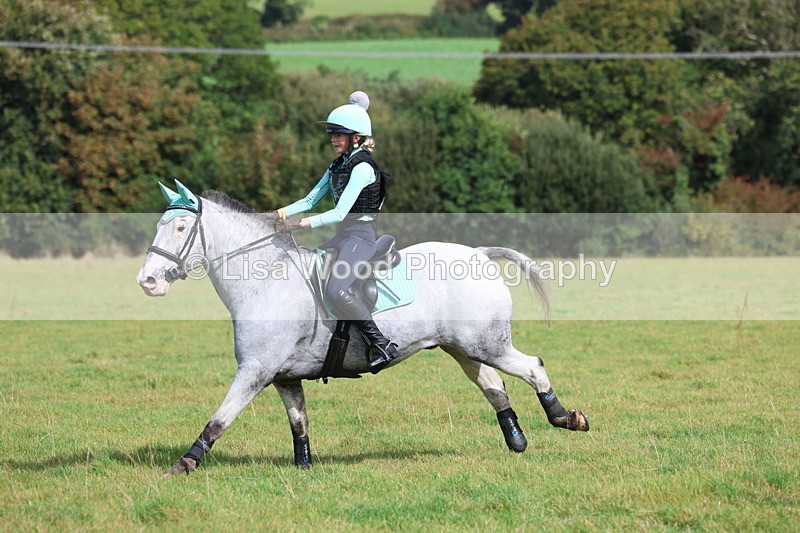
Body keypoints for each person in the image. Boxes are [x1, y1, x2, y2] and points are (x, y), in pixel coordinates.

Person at [268, 91, 398, 373]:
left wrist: (301, 224)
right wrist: (278, 214)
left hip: (360, 237)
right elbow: (309, 201)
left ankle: (381, 344)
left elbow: (340, 213)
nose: (333, 139)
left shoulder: (363, 167)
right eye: (332, 134)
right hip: (343, 237)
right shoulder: (337, 166)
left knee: (336, 289)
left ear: (357, 137)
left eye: (339, 134)